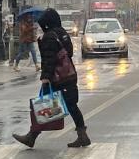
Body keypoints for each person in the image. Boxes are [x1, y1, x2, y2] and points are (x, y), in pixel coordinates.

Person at [13, 8, 91, 148]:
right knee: (66, 106)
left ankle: (32, 136)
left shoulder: (49, 36)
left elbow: (50, 59)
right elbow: (69, 52)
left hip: (57, 78)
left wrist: (45, 78)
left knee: (45, 105)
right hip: (69, 75)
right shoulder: (62, 33)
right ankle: (81, 135)